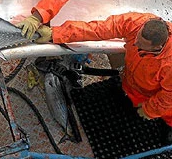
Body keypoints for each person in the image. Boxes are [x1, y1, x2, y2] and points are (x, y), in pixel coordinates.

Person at [35, 12, 172, 130]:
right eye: (137, 39)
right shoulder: (136, 23)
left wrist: (150, 110)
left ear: (158, 47)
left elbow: (168, 96)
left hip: (157, 94)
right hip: (132, 80)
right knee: (129, 98)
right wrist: (56, 33)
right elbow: (101, 28)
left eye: (141, 45)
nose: (135, 44)